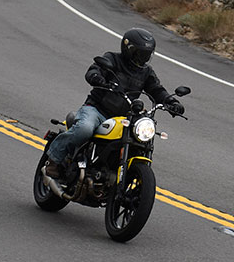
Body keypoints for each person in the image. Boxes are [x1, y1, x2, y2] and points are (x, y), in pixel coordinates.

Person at [44, 27, 184, 179]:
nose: (143, 58)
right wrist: (97, 78)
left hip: (124, 118)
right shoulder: (112, 59)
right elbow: (94, 70)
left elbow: (156, 89)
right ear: (128, 49)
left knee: (141, 138)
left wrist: (171, 102)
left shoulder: (146, 72)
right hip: (97, 110)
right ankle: (54, 159)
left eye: (147, 54)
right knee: (85, 129)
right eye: (140, 53)